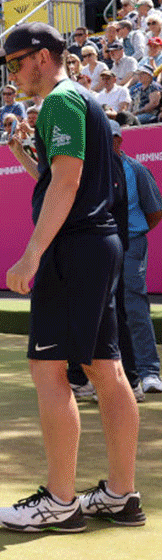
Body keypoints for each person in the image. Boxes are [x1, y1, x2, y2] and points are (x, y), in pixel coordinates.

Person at [0, 23, 143, 532]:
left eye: (16, 62)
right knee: (106, 368)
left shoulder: (60, 102)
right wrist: (31, 163)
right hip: (96, 245)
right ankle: (121, 495)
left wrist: (31, 255)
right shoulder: (79, 103)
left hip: (74, 250)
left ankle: (60, 499)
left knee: (49, 370)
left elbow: (70, 183)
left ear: (46, 57)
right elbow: (68, 179)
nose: (12, 74)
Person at [112, 128, 162, 394]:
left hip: (131, 243)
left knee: (133, 302)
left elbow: (154, 212)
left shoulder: (137, 170)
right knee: (104, 307)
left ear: (118, 141)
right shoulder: (90, 168)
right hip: (103, 246)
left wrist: (133, 232)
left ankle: (149, 371)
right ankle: (112, 373)